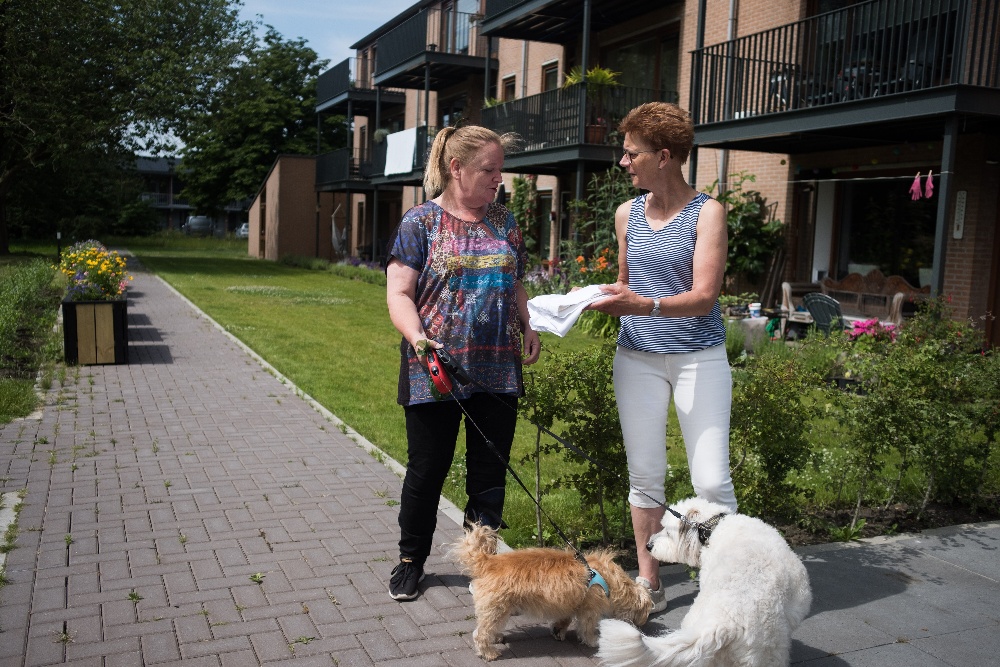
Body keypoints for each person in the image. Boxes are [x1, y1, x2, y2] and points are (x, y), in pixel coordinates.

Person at [586, 102, 738, 613]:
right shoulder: (626, 213)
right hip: (638, 358)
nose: (624, 162)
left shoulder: (708, 211)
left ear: (665, 157)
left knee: (712, 479)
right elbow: (630, 284)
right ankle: (649, 584)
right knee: (645, 474)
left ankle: (724, 581)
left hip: (699, 356)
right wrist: (601, 298)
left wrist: (643, 304)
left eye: (632, 154)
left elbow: (704, 296)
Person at [384, 125, 541, 601]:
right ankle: (411, 560)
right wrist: (417, 338)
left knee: (489, 475)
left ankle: (484, 564)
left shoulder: (506, 223)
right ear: (457, 168)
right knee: (427, 470)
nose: (498, 179)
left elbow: (513, 282)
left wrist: (528, 324)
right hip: (435, 370)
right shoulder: (420, 223)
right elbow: (398, 292)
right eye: (488, 170)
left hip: (497, 369)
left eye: (500, 170)